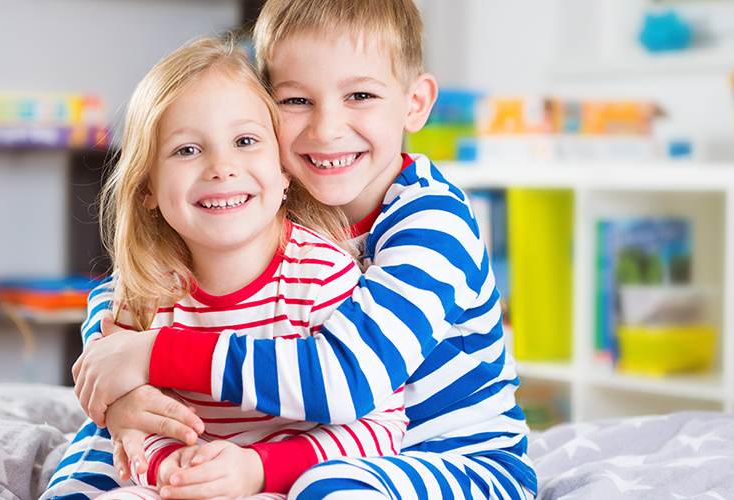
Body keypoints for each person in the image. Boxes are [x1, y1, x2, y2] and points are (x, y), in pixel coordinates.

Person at [74, 0, 539, 498]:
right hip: (330, 441)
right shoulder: (278, 193)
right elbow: (136, 283)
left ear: (415, 103)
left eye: (360, 94)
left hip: (452, 457)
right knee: (95, 457)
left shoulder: (433, 223)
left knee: (328, 488)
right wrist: (117, 379)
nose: (326, 129)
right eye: (296, 101)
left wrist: (152, 355)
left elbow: (347, 376)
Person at [41, 35, 408, 500]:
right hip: (177, 474)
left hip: (290, 473)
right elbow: (128, 413)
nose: (221, 167)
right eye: (187, 150)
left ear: (284, 171)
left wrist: (259, 469)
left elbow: (381, 426)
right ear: (146, 190)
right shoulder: (149, 291)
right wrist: (166, 466)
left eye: (245, 141)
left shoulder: (322, 277)